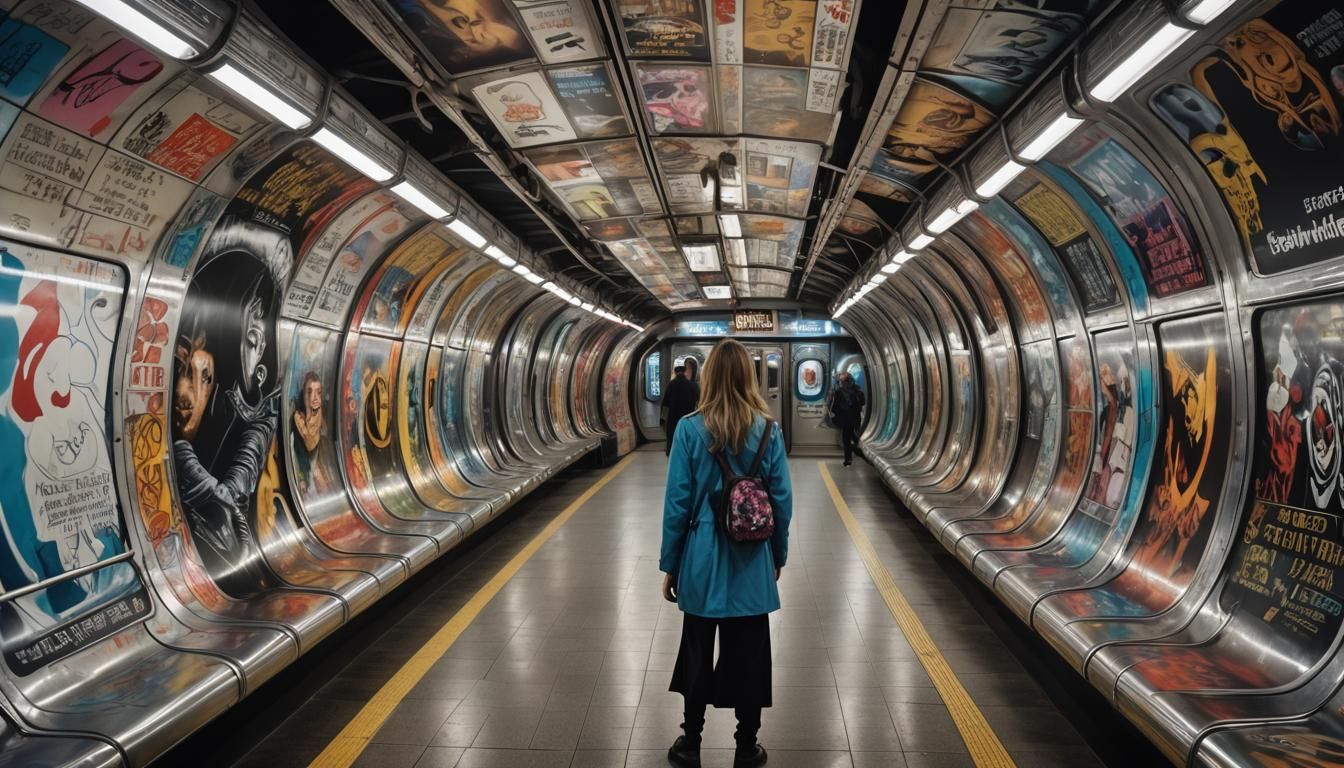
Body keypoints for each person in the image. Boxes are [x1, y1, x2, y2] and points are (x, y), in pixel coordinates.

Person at [660, 339, 793, 768]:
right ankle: (746, 745)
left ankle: (691, 743)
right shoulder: (768, 429)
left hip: (700, 557)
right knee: (749, 654)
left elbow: (677, 503)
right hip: (751, 558)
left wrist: (671, 564)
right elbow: (782, 502)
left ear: (709, 376)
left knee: (697, 650)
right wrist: (778, 554)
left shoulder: (689, 428)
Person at [661, 364, 700, 456]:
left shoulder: (671, 384)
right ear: (684, 372)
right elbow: (698, 399)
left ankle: (672, 453)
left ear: (675, 372)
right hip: (688, 415)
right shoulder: (691, 385)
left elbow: (665, 402)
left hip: (673, 416)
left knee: (672, 435)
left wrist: (662, 419)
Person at [829, 371, 865, 466]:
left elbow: (835, 407)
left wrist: (834, 416)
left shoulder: (838, 392)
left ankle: (850, 457)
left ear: (842, 381)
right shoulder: (857, 390)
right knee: (852, 435)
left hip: (845, 419)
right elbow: (863, 402)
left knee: (846, 439)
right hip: (855, 418)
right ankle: (858, 450)